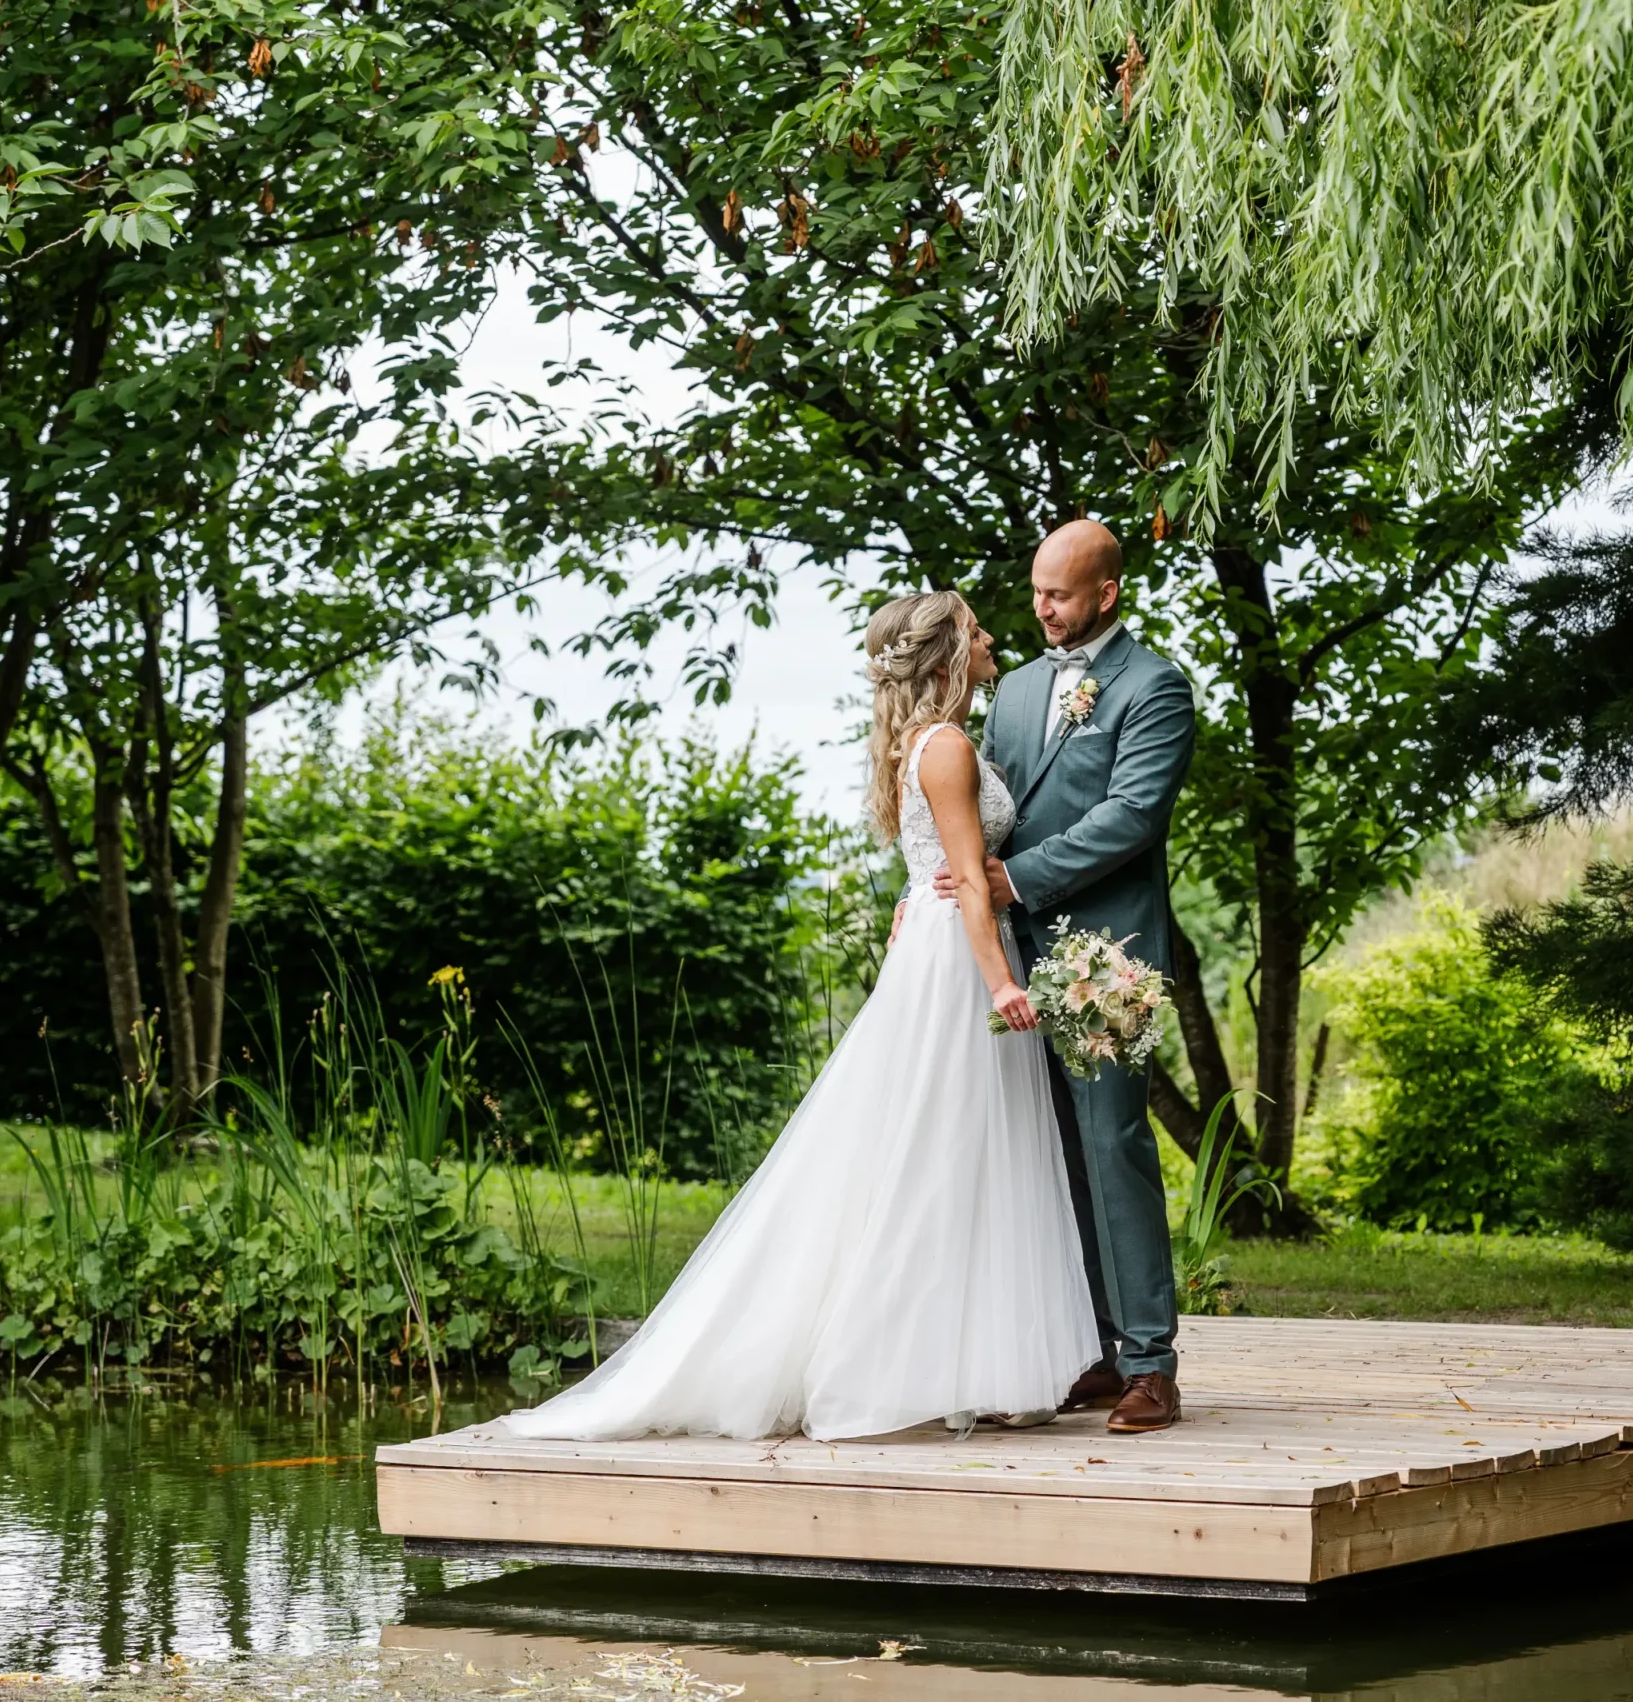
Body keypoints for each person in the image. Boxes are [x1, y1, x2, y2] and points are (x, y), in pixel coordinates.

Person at [503, 589, 1099, 1442]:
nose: (992, 636)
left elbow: (932, 864)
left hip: (941, 947)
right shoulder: (948, 746)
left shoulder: (926, 742)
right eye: (976, 630)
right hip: (961, 964)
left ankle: (973, 1366)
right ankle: (879, 1365)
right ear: (944, 656)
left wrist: (921, 911)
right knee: (940, 1153)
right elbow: (966, 876)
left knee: (966, 1153)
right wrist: (1003, 980)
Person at [934, 519, 1198, 1434]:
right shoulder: (1009, 696)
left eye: (1061, 593)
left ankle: (1151, 1365)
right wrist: (961, 888)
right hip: (1012, 956)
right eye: (1038, 591)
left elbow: (1133, 816)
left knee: (1115, 1145)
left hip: (1106, 959)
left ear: (1107, 593)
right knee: (1048, 1157)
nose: (1043, 607)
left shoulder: (1154, 687)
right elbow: (981, 808)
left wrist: (1016, 877)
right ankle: (1089, 1348)